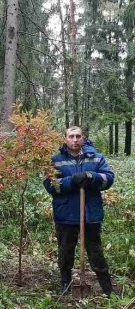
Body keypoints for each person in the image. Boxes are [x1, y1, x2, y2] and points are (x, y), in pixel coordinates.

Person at [43, 126, 116, 296]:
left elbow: (109, 178)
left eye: (78, 136)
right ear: (65, 139)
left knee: (96, 251)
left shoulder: (96, 158)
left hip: (90, 213)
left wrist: (92, 177)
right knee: (65, 251)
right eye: (71, 136)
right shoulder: (56, 160)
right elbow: (50, 185)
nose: (75, 140)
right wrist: (71, 182)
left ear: (83, 138)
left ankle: (108, 289)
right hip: (66, 213)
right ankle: (65, 286)